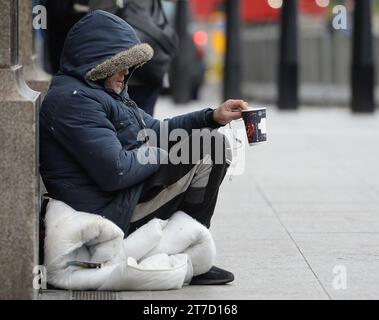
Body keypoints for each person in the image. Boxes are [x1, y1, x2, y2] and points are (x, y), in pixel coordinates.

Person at [39, 11, 248, 285]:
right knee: (211, 147)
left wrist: (211, 117)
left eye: (130, 64)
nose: (127, 72)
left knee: (210, 140)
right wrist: (164, 154)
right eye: (121, 63)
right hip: (109, 210)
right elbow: (116, 171)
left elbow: (157, 130)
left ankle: (188, 245)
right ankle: (188, 253)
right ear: (100, 62)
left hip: (121, 197)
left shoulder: (102, 92)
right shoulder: (74, 101)